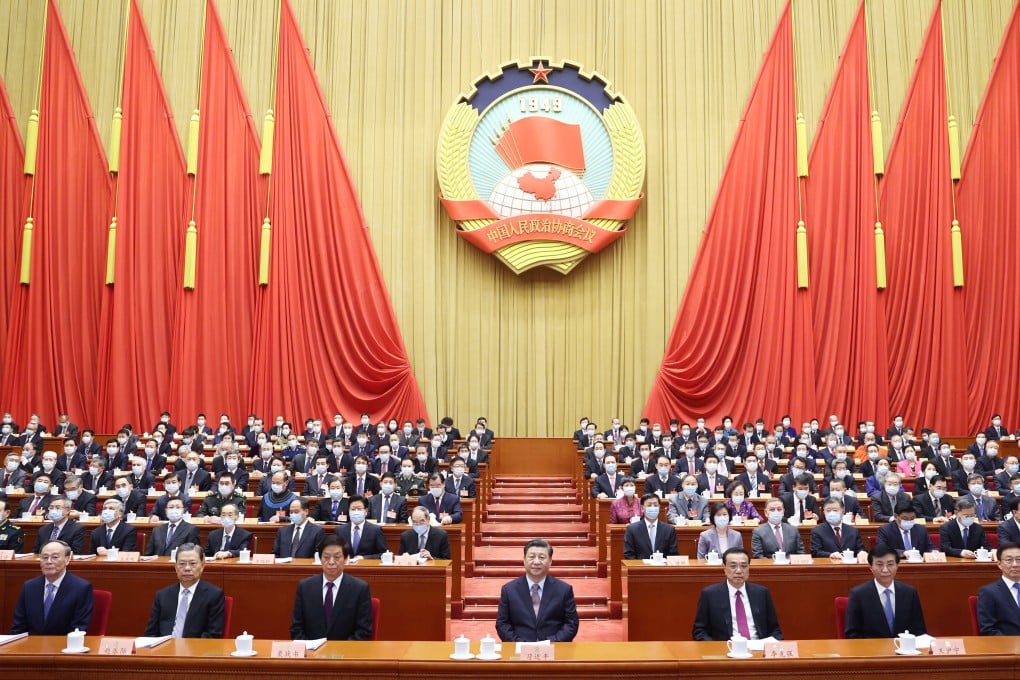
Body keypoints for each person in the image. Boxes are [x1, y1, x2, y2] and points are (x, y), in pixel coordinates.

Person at [291, 535, 373, 640]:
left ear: (346, 559)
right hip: (311, 652)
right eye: (326, 557)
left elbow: (364, 631)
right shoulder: (305, 587)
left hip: (345, 652)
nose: (331, 562)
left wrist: (339, 650)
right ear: (320, 559)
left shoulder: (360, 588)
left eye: (337, 557)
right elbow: (296, 628)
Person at [495, 539, 579, 642]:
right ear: (524, 560)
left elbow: (571, 623)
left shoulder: (564, 589)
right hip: (518, 650)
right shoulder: (509, 590)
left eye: (542, 557)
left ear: (550, 561)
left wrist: (551, 642)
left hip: (554, 650)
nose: (536, 562)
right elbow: (502, 624)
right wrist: (520, 644)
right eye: (531, 557)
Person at [692, 547, 782, 641]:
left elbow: (775, 630)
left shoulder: (761, 593)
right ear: (724, 568)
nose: (739, 571)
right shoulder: (710, 594)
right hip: (726, 649)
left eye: (743, 566)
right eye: (733, 566)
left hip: (758, 648)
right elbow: (699, 631)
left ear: (748, 568)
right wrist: (718, 648)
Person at [143, 542, 225, 638]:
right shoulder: (162, 595)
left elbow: (213, 635)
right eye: (182, 564)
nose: (187, 568)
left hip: (194, 650)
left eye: (192, 563)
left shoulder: (214, 595)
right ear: (175, 567)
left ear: (202, 566)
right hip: (164, 649)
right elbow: (150, 633)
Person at [11, 540, 93, 634]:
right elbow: (18, 626)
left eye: (55, 557)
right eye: (44, 557)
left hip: (64, 646)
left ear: (67, 559)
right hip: (31, 646)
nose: (48, 561)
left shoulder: (81, 588)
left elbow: (78, 628)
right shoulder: (29, 587)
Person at [844, 545, 927, 638]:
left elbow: (919, 631)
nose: (885, 570)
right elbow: (851, 634)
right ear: (870, 567)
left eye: (890, 564)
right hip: (872, 650)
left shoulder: (909, 592)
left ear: (897, 566)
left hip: (905, 650)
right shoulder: (858, 594)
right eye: (879, 564)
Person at [977, 541, 1020, 635]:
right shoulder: (989, 592)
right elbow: (988, 629)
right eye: (1009, 560)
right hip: (1009, 646)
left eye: (1019, 559)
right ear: (999, 564)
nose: (1015, 565)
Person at [623, 494, 678, 559]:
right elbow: (629, 554)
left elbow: (673, 554)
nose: (652, 507)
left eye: (655, 505)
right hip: (640, 567)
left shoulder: (669, 529)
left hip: (662, 568)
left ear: (659, 507)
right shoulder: (632, 529)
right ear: (642, 508)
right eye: (649, 505)